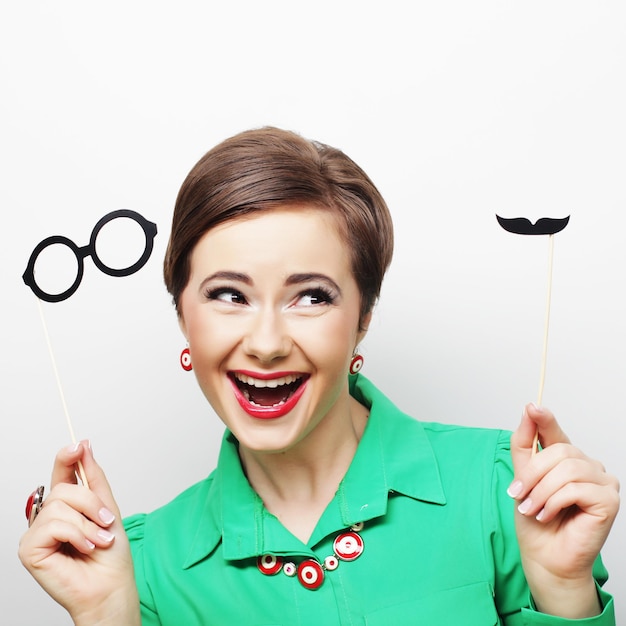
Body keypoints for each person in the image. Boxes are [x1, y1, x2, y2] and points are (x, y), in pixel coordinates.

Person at [19, 127, 619, 625]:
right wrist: (106, 615)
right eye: (228, 294)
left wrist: (564, 588)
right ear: (182, 315)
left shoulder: (504, 493)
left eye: (311, 298)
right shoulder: (140, 569)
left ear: (363, 318)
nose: (267, 344)